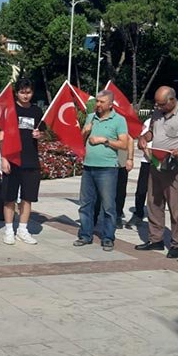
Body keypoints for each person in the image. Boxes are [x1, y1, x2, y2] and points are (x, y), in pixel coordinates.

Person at [136, 86, 178, 258]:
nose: (158, 106)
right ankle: (156, 239)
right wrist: (143, 138)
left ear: (171, 100)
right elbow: (151, 133)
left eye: (161, 104)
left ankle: (177, 243)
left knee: (175, 205)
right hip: (156, 162)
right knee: (154, 202)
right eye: (156, 103)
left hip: (175, 165)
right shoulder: (157, 113)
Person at [73, 90, 128, 251]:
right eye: (97, 101)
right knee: (86, 204)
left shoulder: (118, 120)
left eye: (102, 102)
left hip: (107, 168)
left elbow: (124, 144)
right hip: (89, 166)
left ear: (110, 104)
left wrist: (105, 140)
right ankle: (85, 235)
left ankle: (108, 237)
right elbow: (80, 140)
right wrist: (85, 131)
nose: (98, 104)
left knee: (108, 206)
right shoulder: (91, 118)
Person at [0, 78, 43, 245]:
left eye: (29, 92)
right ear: (16, 92)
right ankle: (9, 230)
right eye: (22, 92)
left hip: (31, 160)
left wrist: (40, 135)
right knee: (9, 197)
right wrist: (4, 158)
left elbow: (43, 132)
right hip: (12, 159)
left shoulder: (37, 111)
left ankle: (22, 230)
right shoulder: (10, 110)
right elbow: (2, 136)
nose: (26, 96)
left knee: (28, 197)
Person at [126, 116, 153, 228]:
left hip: (162, 160)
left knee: (159, 193)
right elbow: (140, 141)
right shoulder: (149, 121)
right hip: (147, 161)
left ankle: (154, 218)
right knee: (141, 190)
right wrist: (143, 143)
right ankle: (138, 213)